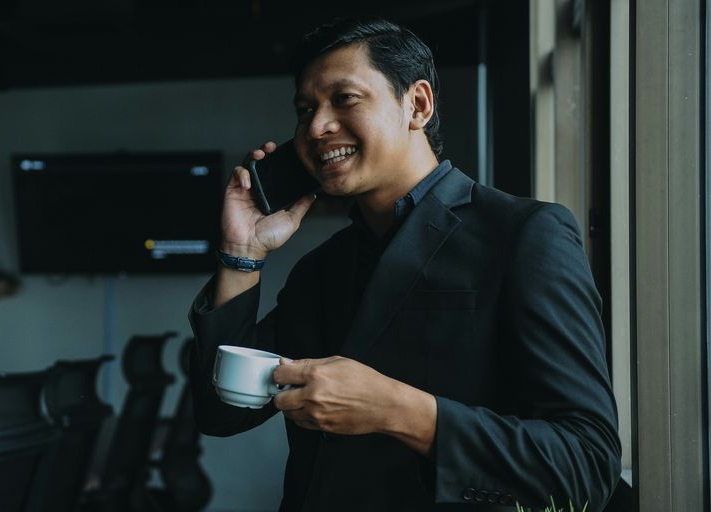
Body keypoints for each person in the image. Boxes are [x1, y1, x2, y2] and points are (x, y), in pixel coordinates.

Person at [188, 18, 621, 511]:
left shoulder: (524, 235)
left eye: (344, 99)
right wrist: (241, 255)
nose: (315, 127)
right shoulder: (318, 270)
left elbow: (587, 462)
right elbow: (221, 414)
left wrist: (399, 410)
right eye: (305, 109)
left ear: (417, 104)